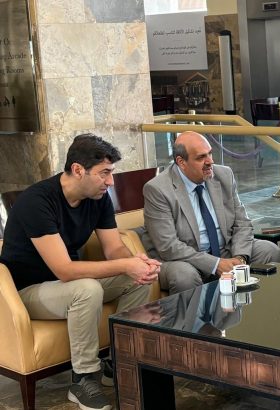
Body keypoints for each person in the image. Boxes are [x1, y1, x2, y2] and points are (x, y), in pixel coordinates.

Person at [0, 134, 160, 410]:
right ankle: (83, 379)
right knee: (86, 289)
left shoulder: (97, 197)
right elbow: (64, 270)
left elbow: (114, 248)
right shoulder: (36, 202)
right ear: (77, 170)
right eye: (104, 173)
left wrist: (136, 263)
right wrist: (125, 265)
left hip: (68, 284)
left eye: (111, 172)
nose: (110, 182)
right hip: (25, 292)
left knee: (138, 279)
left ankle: (120, 361)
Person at [137, 131, 280, 295]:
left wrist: (239, 258)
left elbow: (242, 223)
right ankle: (199, 313)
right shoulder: (158, 189)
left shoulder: (224, 175)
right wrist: (215, 264)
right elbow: (168, 246)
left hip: (224, 250)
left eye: (210, 153)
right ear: (181, 162)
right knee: (184, 276)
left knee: (269, 250)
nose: (210, 161)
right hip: (183, 259)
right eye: (201, 157)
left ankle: (253, 307)